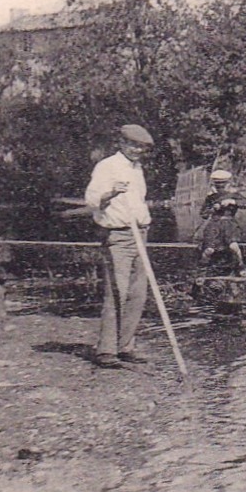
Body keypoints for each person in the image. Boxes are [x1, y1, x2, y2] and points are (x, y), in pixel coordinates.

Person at [84, 124, 154, 369]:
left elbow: (138, 201)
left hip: (140, 234)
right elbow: (92, 199)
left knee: (138, 293)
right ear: (121, 143)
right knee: (117, 291)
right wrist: (111, 193)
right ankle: (106, 350)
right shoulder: (107, 166)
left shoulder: (137, 169)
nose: (137, 150)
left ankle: (126, 346)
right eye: (132, 145)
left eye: (141, 147)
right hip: (118, 235)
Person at [195, 168, 246, 276]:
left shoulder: (234, 195)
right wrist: (213, 209)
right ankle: (201, 272)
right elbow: (203, 214)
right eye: (218, 185)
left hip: (229, 225)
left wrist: (232, 202)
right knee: (209, 250)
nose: (220, 188)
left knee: (234, 246)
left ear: (228, 184)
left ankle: (241, 266)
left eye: (222, 185)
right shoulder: (210, 198)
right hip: (214, 226)